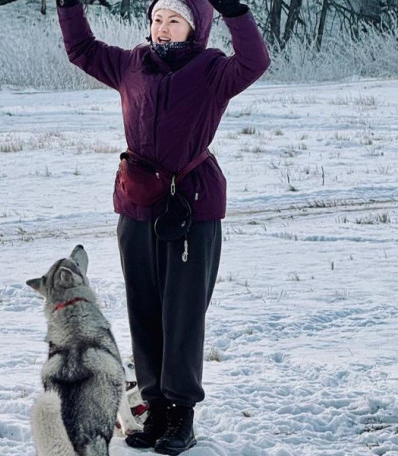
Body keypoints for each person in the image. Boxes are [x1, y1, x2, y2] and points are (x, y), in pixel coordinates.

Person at [55, 0, 269, 453]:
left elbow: (255, 62)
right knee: (144, 309)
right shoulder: (131, 64)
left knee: (183, 315)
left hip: (192, 206)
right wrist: (68, 5)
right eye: (157, 19)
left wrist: (236, 13)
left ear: (195, 28)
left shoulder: (212, 70)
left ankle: (180, 416)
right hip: (137, 204)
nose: (163, 29)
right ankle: (154, 410)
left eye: (174, 20)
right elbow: (81, 49)